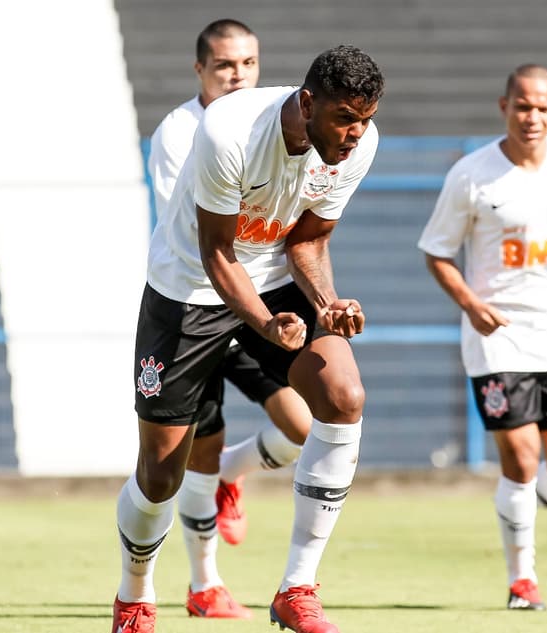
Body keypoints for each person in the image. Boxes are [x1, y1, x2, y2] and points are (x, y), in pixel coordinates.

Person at [113, 44, 384, 633]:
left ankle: (297, 588)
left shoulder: (357, 145)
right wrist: (263, 323)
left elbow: (307, 243)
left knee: (343, 397)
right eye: (344, 118)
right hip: (188, 289)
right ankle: (135, 594)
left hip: (274, 281)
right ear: (308, 103)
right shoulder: (229, 128)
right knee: (161, 475)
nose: (356, 134)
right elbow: (216, 251)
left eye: (365, 120)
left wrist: (325, 304)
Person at [418, 64, 547, 611]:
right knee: (522, 456)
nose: (533, 117)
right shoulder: (471, 174)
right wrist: (471, 305)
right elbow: (437, 251)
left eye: (544, 107)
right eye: (523, 106)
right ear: (503, 106)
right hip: (498, 338)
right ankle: (522, 578)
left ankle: (521, 506)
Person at [145, 19, 313, 619]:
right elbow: (194, 228)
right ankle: (203, 584)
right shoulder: (181, 132)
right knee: (198, 452)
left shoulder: (275, 121)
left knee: (302, 425)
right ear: (200, 70)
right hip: (200, 298)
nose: (238, 74)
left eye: (247, 62)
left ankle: (228, 481)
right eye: (224, 65)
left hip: (259, 299)